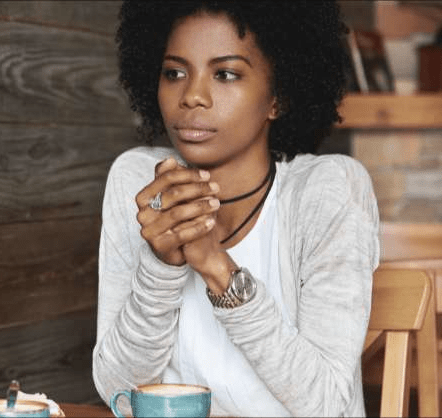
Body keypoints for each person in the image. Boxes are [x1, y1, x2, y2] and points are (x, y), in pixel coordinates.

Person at [92, 1, 379, 416]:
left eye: (225, 74)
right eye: (174, 72)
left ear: (277, 97)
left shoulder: (328, 190)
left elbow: (327, 404)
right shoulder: (139, 182)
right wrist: (161, 267)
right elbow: (117, 390)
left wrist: (217, 268)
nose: (191, 95)